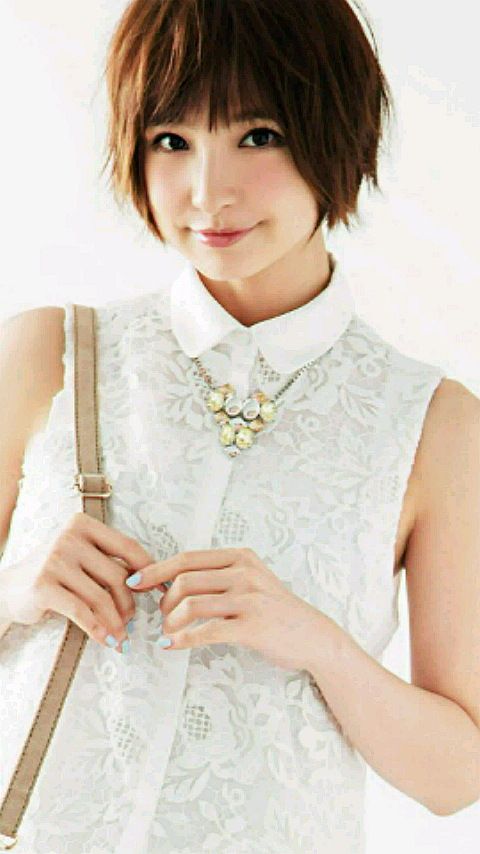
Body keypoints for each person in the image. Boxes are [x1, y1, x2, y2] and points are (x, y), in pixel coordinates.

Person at [0, 1, 479, 852]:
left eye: (258, 135)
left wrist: (318, 643)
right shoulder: (53, 353)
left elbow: (457, 776)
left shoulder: (432, 423)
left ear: (338, 135)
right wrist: (17, 587)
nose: (207, 191)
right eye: (171, 140)